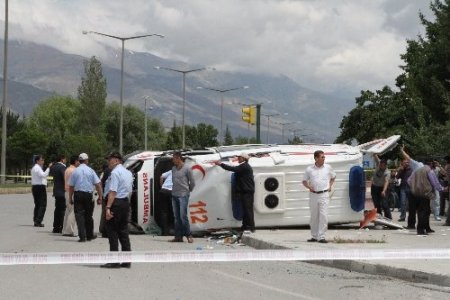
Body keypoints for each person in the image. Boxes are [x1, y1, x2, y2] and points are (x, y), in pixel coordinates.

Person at [101, 152, 133, 269]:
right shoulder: (128, 172)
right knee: (123, 232)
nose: (108, 162)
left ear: (117, 161)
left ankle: (114, 261)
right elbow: (129, 190)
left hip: (115, 203)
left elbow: (113, 192)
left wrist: (108, 208)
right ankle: (126, 261)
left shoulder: (115, 173)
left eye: (110, 160)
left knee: (112, 232)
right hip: (124, 202)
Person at [214, 152, 255, 232]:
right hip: (244, 192)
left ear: (243, 158)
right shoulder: (244, 166)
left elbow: (233, 169)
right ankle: (245, 226)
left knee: (248, 210)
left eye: (239, 157)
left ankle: (251, 227)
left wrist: (220, 164)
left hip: (247, 192)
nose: (238, 159)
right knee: (245, 209)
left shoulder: (244, 166)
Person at [302, 150, 336, 243]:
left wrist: (330, 185)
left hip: (324, 194)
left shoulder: (328, 168)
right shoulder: (309, 169)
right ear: (316, 158)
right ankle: (314, 236)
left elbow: (333, 177)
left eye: (324, 157)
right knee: (314, 216)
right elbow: (304, 181)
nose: (324, 158)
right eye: (322, 157)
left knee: (323, 216)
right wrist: (309, 187)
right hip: (313, 195)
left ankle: (321, 236)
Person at [68, 153, 103, 242]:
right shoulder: (91, 171)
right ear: (87, 160)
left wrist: (70, 198)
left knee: (79, 216)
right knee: (88, 215)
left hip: (78, 195)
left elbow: (71, 186)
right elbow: (98, 185)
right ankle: (89, 235)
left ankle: (82, 236)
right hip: (88, 195)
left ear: (79, 161)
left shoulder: (75, 171)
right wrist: (100, 197)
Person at [408, 158, 445, 235]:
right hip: (425, 194)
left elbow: (409, 181)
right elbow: (435, 183)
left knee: (426, 211)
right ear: (431, 164)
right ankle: (421, 230)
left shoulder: (416, 171)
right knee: (423, 212)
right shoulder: (429, 171)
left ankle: (427, 227)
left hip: (415, 194)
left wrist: (414, 187)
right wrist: (442, 189)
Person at [169, 151, 195, 243]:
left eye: (174, 159)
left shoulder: (187, 168)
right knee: (176, 217)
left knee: (183, 215)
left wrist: (188, 190)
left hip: (183, 195)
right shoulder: (173, 169)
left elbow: (192, 182)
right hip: (174, 195)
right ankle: (178, 236)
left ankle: (188, 235)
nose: (173, 161)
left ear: (178, 158)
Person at [31, 155, 52, 227]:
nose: (43, 161)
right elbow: (44, 175)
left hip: (35, 187)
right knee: (42, 205)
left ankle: (36, 219)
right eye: (41, 160)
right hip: (39, 187)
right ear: (37, 161)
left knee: (37, 204)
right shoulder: (37, 168)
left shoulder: (35, 168)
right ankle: (38, 221)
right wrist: (49, 168)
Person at [370, 155, 392, 219]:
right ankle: (379, 217)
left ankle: (388, 218)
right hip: (374, 187)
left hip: (382, 188)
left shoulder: (387, 172)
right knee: (376, 204)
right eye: (380, 165)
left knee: (384, 204)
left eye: (383, 165)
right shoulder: (378, 165)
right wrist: (374, 154)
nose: (381, 166)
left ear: (386, 165)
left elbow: (386, 181)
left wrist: (384, 191)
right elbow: (376, 158)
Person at [62, 155, 79, 236]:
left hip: (66, 191)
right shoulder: (75, 171)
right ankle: (69, 230)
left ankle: (65, 229)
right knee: (73, 212)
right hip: (72, 192)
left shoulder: (67, 169)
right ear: (75, 161)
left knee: (68, 211)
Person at [49, 155, 67, 233]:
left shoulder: (53, 167)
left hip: (56, 191)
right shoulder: (62, 167)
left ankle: (55, 227)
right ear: (62, 159)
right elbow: (65, 179)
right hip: (62, 191)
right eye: (65, 159)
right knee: (62, 210)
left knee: (57, 209)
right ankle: (61, 226)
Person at [396, 157, 413, 222]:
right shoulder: (402, 170)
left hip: (410, 188)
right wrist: (400, 170)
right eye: (405, 162)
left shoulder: (411, 169)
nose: (406, 163)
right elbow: (397, 177)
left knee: (411, 203)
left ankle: (411, 217)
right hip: (403, 188)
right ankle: (402, 216)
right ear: (402, 163)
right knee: (403, 203)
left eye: (407, 162)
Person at [159, 170, 174, 235]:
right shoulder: (185, 172)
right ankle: (172, 230)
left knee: (164, 211)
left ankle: (164, 232)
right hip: (172, 191)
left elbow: (161, 177)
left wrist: (162, 186)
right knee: (173, 211)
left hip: (164, 190)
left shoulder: (172, 170)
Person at [99, 162, 111, 238]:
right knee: (107, 212)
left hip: (104, 194)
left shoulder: (104, 173)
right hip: (108, 194)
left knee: (104, 212)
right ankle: (106, 230)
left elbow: (100, 183)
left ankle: (102, 229)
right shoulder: (110, 171)